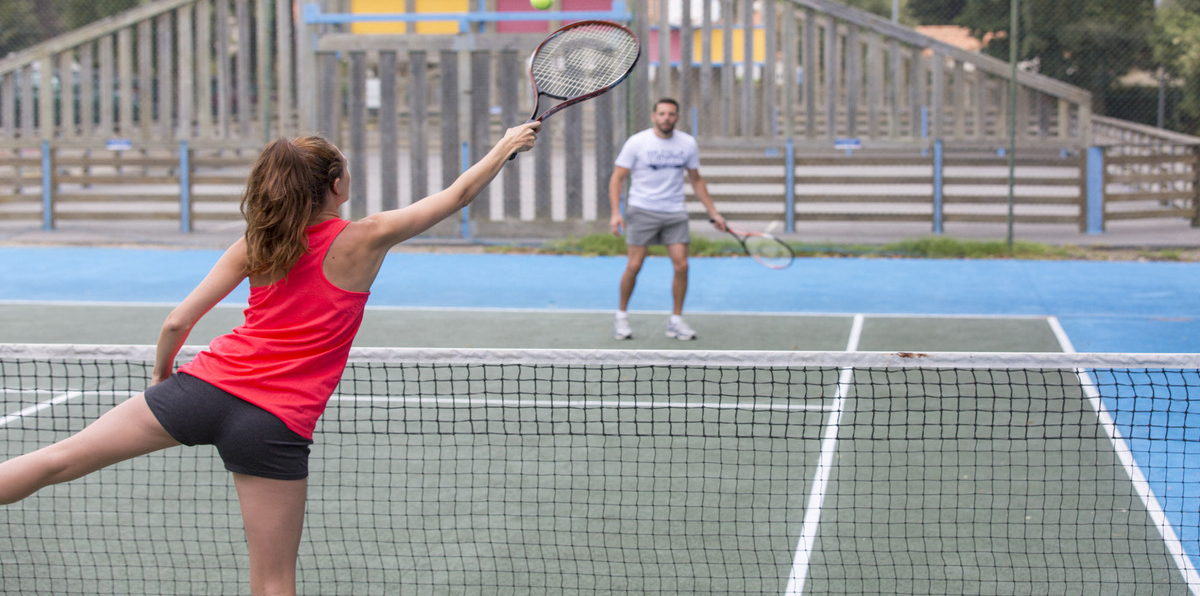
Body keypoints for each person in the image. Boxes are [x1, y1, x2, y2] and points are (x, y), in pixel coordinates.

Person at [0, 124, 538, 596]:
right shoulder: (366, 239)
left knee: (56, 460)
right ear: (337, 185)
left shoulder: (255, 242)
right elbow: (458, 195)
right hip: (272, 424)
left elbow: (175, 323)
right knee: (274, 581)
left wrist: (165, 381)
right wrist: (507, 145)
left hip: (198, 390)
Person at [608, 97, 726, 341]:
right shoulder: (637, 142)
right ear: (654, 117)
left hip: (675, 212)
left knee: (682, 265)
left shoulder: (687, 143)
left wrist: (713, 212)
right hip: (642, 210)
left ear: (677, 118)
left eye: (671, 114)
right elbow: (617, 177)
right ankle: (621, 316)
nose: (666, 118)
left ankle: (676, 320)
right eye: (661, 114)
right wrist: (615, 212)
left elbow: (696, 179)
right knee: (634, 265)